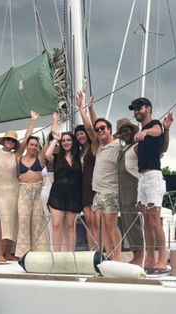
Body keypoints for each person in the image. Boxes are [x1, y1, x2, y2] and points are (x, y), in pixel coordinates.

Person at [77, 90, 122, 260]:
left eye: (103, 128)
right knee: (100, 225)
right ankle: (108, 254)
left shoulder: (117, 145)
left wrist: (92, 110)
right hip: (98, 193)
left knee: (111, 225)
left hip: (111, 191)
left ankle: (117, 256)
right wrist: (83, 108)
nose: (100, 131)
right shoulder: (98, 146)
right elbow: (89, 127)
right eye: (98, 129)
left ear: (110, 130)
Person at [0, 111, 39, 262]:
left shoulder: (16, 155)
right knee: (3, 221)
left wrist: (32, 121)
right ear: (4, 140)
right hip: (0, 191)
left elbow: (27, 138)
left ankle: (8, 252)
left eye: (12, 140)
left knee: (13, 221)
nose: (10, 141)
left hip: (14, 190)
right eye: (8, 139)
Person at [130, 97, 170, 273]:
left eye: (139, 108)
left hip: (154, 176)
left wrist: (145, 133)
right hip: (143, 177)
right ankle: (150, 260)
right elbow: (164, 148)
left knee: (154, 220)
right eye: (135, 109)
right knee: (146, 221)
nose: (136, 111)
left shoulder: (154, 125)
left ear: (149, 108)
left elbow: (155, 130)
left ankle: (162, 259)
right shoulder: (144, 133)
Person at [46, 130, 83, 251]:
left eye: (68, 140)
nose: (66, 142)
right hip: (57, 194)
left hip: (73, 195)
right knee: (56, 225)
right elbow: (47, 155)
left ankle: (70, 255)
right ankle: (56, 256)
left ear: (73, 142)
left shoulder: (79, 157)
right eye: (63, 141)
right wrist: (56, 139)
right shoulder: (57, 157)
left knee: (70, 226)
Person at [114, 118, 144, 267]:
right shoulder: (125, 148)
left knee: (133, 222)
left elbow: (156, 152)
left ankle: (140, 256)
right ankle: (135, 254)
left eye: (126, 130)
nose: (124, 134)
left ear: (132, 131)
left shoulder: (138, 146)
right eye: (121, 132)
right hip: (122, 189)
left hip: (132, 186)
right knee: (127, 223)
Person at [16, 135, 50, 258]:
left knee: (38, 220)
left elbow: (47, 143)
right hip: (24, 190)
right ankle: (23, 252)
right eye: (31, 144)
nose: (34, 147)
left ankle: (40, 251)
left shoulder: (40, 158)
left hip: (37, 190)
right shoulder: (18, 159)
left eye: (36, 145)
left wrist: (54, 123)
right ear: (27, 145)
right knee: (23, 220)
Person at [75, 100, 99, 250]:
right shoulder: (79, 152)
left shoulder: (95, 146)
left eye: (82, 133)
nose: (80, 136)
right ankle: (92, 252)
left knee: (96, 222)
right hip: (83, 189)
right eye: (77, 135)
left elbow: (92, 128)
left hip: (95, 187)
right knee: (88, 222)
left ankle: (98, 250)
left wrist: (85, 109)